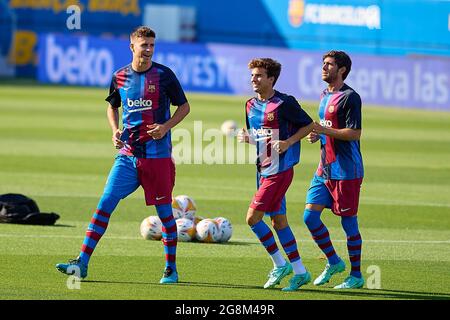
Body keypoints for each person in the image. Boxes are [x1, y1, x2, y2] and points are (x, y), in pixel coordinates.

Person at [56, 26, 190, 284]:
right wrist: (115, 130)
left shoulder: (164, 75)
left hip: (157, 157)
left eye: (152, 45)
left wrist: (165, 127)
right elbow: (111, 106)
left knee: (164, 213)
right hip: (127, 156)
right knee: (105, 202)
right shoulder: (119, 76)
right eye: (144, 45)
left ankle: (170, 269)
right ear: (132, 47)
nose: (149, 50)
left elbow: (184, 106)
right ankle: (81, 263)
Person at [238, 58, 314, 291]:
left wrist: (289, 141)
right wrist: (247, 138)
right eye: (252, 75)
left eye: (259, 75)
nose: (254, 79)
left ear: (271, 79)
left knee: (252, 218)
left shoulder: (284, 103)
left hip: (280, 171)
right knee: (278, 221)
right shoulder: (250, 105)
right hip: (263, 169)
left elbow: (309, 125)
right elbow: (260, 136)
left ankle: (280, 264)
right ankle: (300, 271)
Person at [303, 50, 364, 289]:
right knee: (309, 217)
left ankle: (356, 276)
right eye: (323, 64)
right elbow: (327, 129)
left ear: (342, 70)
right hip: (325, 169)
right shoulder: (324, 95)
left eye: (329, 65)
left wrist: (324, 130)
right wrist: (316, 135)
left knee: (349, 225)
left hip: (347, 171)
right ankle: (334, 261)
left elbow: (354, 133)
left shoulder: (351, 97)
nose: (324, 68)